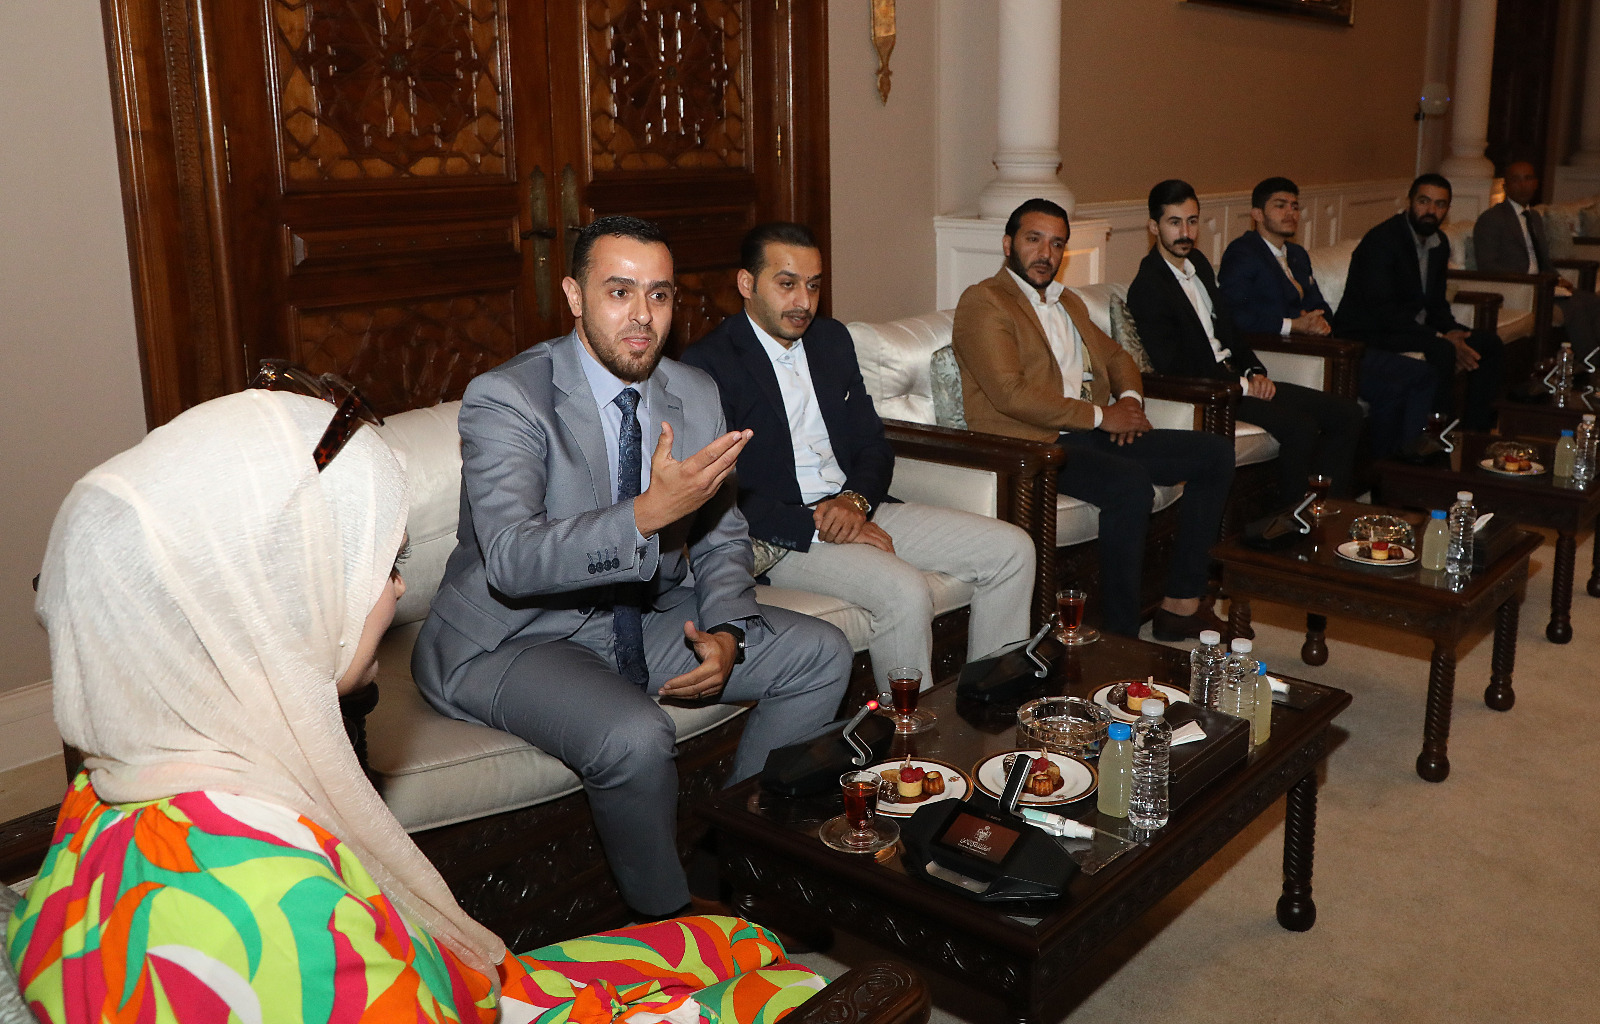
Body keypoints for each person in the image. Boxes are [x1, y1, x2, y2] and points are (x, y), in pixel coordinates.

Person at [7, 387, 826, 1023]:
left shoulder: (105, 796)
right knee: (805, 988)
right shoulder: (282, 915)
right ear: (274, 597)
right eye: (377, 564)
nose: (398, 590)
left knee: (740, 937)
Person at [411, 216, 851, 921]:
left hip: (643, 614)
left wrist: (728, 628)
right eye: (619, 292)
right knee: (635, 735)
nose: (642, 315)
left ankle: (734, 859)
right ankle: (668, 925)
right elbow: (513, 560)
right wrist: (647, 513)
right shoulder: (509, 397)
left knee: (822, 653)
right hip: (517, 637)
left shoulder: (695, 392)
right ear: (574, 296)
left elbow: (722, 534)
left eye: (660, 295)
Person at [682, 222, 1035, 691]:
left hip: (856, 504)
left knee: (1012, 550)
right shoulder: (706, 365)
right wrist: (818, 524)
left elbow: (872, 443)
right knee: (904, 590)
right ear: (747, 284)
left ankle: (993, 704)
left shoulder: (831, 340)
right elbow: (720, 493)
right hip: (783, 532)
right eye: (787, 284)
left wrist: (855, 501)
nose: (804, 302)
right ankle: (907, 734)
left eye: (813, 285)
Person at [952, 198, 1235, 641]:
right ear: (1008, 244)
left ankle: (1181, 603)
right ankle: (1121, 637)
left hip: (1088, 432)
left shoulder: (1068, 302)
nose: (1046, 253)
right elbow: (1010, 394)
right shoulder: (985, 301)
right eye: (1033, 239)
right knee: (1129, 484)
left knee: (1213, 453)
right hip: (1034, 447)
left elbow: (1118, 357)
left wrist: (1130, 403)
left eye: (1056, 244)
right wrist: (1104, 416)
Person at [1130, 179, 1364, 504]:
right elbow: (1175, 364)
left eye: (1192, 221)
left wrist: (1254, 370)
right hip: (1213, 392)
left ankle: (1327, 510)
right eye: (1174, 222)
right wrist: (1241, 384)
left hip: (1238, 378)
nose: (1185, 232)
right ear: (1154, 227)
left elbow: (1230, 328)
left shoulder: (1198, 263)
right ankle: (1294, 518)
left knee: (1347, 413)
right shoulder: (1148, 287)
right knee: (1301, 427)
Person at [1219, 176, 1436, 460]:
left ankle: (1410, 458)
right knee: (1390, 390)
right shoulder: (1243, 253)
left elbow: (1320, 304)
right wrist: (1293, 325)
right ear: (1257, 214)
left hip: (1328, 345)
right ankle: (1388, 465)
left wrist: (1319, 321)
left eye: (1295, 206)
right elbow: (1234, 316)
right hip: (1294, 352)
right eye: (1280, 206)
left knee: (1422, 373)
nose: (1290, 213)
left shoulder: (1297, 254)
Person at [1335, 173, 1504, 431]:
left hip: (1412, 330)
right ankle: (1435, 436)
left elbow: (1436, 304)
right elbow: (1383, 311)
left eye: (1439, 204)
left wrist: (1452, 331)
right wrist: (1439, 337)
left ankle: (1474, 434)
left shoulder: (1439, 243)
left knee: (1488, 344)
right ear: (1410, 202)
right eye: (1424, 201)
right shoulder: (1382, 241)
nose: (1431, 211)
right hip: (1372, 331)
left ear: (1447, 209)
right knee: (1442, 350)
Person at [1474, 159, 1600, 360]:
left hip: (1545, 284)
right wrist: (1532, 282)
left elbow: (1543, 260)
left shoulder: (1534, 217)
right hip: (1520, 288)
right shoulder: (1491, 219)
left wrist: (1557, 279)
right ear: (1505, 186)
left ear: (1535, 183)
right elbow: (1487, 266)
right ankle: (1590, 363)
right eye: (1516, 180)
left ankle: (1589, 363)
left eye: (1528, 178)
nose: (1522, 185)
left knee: (1592, 301)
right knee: (1575, 307)